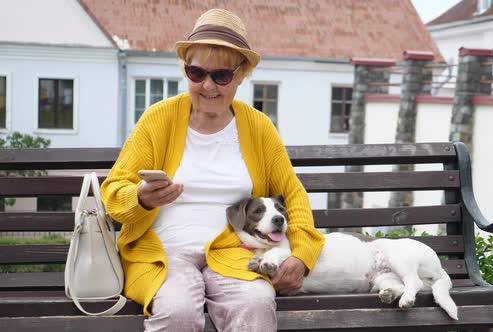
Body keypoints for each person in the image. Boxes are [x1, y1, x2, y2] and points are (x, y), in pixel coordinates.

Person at [101, 8, 325, 332]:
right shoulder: (158, 119)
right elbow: (113, 192)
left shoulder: (259, 127)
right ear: (185, 70)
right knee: (176, 312)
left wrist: (302, 255)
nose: (208, 86)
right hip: (164, 253)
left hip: (235, 252)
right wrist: (142, 198)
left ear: (241, 75)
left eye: (221, 76)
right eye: (196, 73)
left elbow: (292, 194)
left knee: (257, 303)